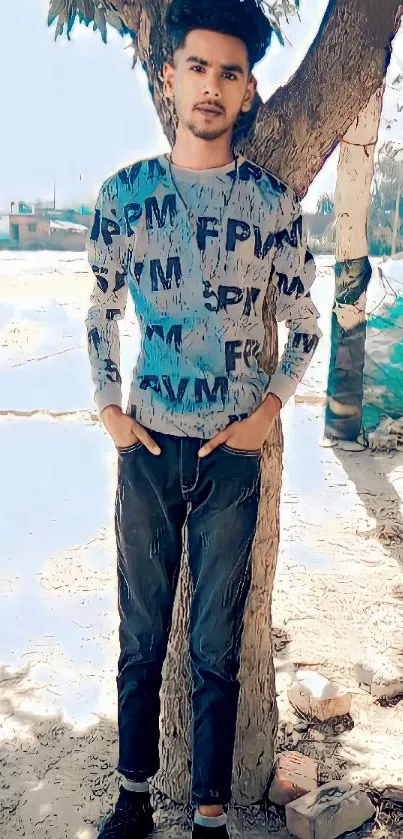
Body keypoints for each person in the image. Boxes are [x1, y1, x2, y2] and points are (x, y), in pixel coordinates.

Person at [85, 0, 322, 836]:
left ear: (249, 89)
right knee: (141, 635)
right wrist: (111, 408)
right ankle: (131, 795)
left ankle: (212, 811)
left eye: (229, 72)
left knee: (213, 646)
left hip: (230, 450)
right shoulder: (125, 195)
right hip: (146, 446)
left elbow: (305, 324)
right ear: (169, 77)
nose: (212, 87)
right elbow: (100, 310)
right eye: (197, 67)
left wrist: (266, 411)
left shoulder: (269, 205)